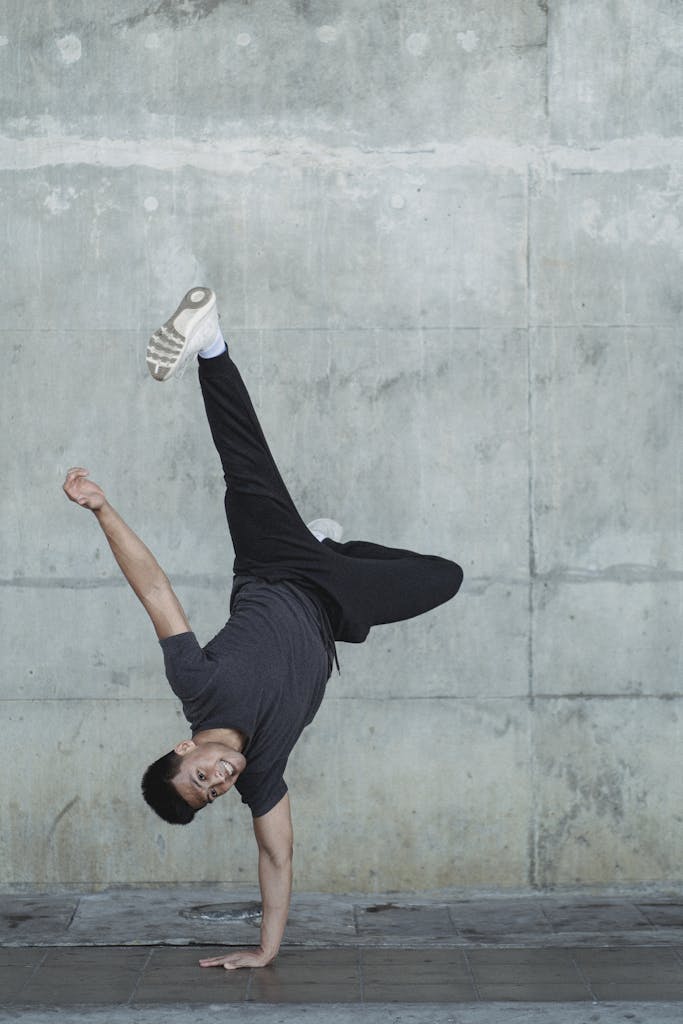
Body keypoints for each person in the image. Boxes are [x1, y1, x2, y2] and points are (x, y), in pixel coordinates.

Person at [62, 286, 463, 970]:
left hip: (273, 563)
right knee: (443, 576)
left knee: (244, 462)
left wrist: (101, 509)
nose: (217, 782)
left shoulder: (198, 683)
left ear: (185, 746)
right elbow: (277, 853)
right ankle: (332, 549)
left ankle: (210, 340)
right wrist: (264, 950)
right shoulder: (262, 774)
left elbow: (154, 590)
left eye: (199, 776)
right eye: (211, 792)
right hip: (333, 604)